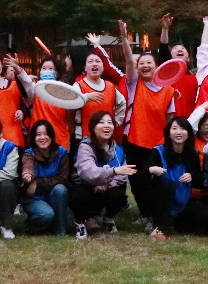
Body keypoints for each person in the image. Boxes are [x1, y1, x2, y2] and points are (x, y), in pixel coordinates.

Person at [117, 20, 176, 221]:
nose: (144, 66)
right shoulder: (134, 83)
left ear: (157, 67)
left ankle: (155, 213)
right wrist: (124, 36)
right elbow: (128, 59)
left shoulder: (168, 91)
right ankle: (144, 213)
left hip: (158, 142)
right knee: (136, 180)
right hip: (134, 139)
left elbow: (170, 119)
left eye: (149, 63)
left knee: (155, 179)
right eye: (141, 63)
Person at [145, 116, 208, 240]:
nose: (178, 132)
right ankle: (157, 226)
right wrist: (152, 170)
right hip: (159, 199)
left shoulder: (193, 154)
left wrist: (191, 176)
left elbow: (199, 181)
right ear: (168, 133)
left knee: (207, 216)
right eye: (174, 128)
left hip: (182, 201)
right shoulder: (158, 151)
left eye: (183, 129)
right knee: (167, 185)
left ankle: (176, 225)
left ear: (189, 134)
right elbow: (142, 174)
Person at [71, 111, 133, 237]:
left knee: (119, 196)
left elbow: (122, 176)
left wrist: (105, 185)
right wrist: (112, 171)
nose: (106, 126)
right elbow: (88, 172)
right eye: (101, 122)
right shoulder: (85, 146)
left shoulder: (118, 150)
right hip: (88, 188)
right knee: (78, 195)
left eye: (110, 123)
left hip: (106, 189)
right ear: (93, 128)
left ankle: (108, 218)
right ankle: (81, 223)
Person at [10, 55, 81, 152]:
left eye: (51, 69)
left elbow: (70, 120)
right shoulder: (35, 89)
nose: (47, 71)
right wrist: (17, 68)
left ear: (57, 72)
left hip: (60, 140)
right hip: (38, 140)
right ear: (40, 71)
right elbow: (26, 82)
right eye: (44, 68)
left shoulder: (65, 91)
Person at [20, 119, 71, 236]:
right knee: (46, 215)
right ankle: (30, 226)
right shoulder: (29, 153)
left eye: (46, 134)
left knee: (61, 189)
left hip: (54, 195)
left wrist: (38, 182)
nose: (42, 137)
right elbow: (28, 166)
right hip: (34, 197)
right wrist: (28, 175)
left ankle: (60, 230)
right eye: (38, 134)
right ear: (34, 138)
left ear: (51, 136)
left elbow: (63, 178)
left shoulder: (61, 152)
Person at [75, 37, 126, 142]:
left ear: (103, 67)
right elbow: (70, 101)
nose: (94, 64)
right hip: (85, 138)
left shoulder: (110, 86)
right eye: (90, 61)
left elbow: (122, 103)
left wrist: (115, 122)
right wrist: (86, 97)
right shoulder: (78, 85)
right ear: (85, 68)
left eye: (98, 61)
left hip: (108, 138)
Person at [156, 13, 198, 117]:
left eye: (183, 48)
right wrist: (165, 29)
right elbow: (163, 49)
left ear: (189, 58)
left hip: (189, 122)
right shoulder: (166, 76)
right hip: (170, 121)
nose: (179, 50)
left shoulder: (195, 78)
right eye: (175, 48)